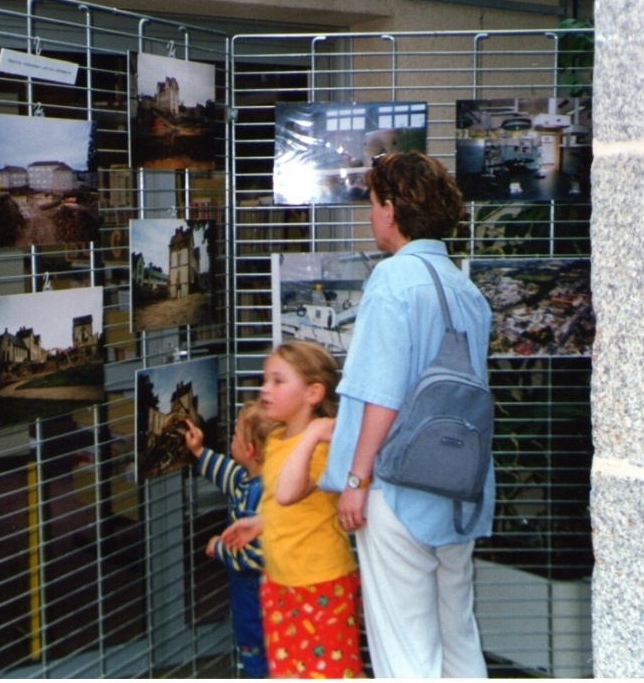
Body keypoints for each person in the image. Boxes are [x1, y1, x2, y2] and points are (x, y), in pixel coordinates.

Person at [321, 150, 494, 677]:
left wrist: (356, 477)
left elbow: (381, 392)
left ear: (391, 210)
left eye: (373, 205)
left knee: (406, 655)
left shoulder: (393, 280)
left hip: (396, 487)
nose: (370, 216)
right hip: (459, 488)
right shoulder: (466, 289)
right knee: (458, 640)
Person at [255, 340, 364, 679]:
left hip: (321, 583)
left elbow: (289, 492)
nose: (264, 389)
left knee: (331, 671)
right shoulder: (276, 439)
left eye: (277, 380)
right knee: (288, 671)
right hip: (280, 582)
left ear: (313, 393)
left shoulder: (321, 450)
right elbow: (281, 502)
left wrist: (314, 432)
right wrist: (258, 524)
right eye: (264, 379)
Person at [183, 400, 274, 679]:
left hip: (257, 594)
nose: (230, 439)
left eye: (234, 435)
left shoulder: (264, 494)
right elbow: (224, 470)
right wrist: (198, 451)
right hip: (246, 592)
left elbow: (258, 555)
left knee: (257, 649)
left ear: (249, 450)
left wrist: (219, 549)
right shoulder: (245, 478)